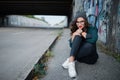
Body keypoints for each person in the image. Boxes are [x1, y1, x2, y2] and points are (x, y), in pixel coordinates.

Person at [62, 11, 99, 78]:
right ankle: (71, 63)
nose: (79, 24)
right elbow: (72, 46)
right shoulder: (76, 30)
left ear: (85, 21)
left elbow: (93, 40)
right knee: (77, 36)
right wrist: (74, 35)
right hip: (80, 58)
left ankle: (70, 59)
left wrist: (82, 33)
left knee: (89, 46)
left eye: (82, 21)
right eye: (77, 22)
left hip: (91, 58)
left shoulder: (92, 29)